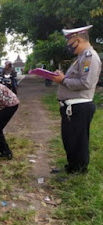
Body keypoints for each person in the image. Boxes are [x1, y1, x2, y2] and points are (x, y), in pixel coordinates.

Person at [51, 25, 101, 174]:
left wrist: (63, 80)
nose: (69, 48)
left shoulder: (89, 57)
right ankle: (72, 167)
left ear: (78, 40)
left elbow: (86, 83)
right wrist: (62, 77)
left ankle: (78, 171)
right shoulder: (80, 58)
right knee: (70, 139)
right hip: (72, 107)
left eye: (70, 44)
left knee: (78, 141)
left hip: (79, 107)